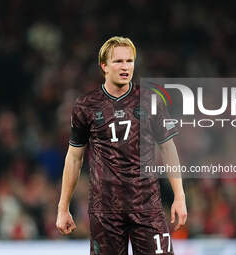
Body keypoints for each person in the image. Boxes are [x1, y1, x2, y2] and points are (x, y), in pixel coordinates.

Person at [56, 36, 187, 255]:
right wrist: (63, 207)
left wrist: (179, 197)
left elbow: (167, 148)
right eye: (118, 61)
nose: (125, 66)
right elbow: (74, 157)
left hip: (147, 205)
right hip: (105, 209)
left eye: (129, 61)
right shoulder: (86, 106)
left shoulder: (150, 100)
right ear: (104, 66)